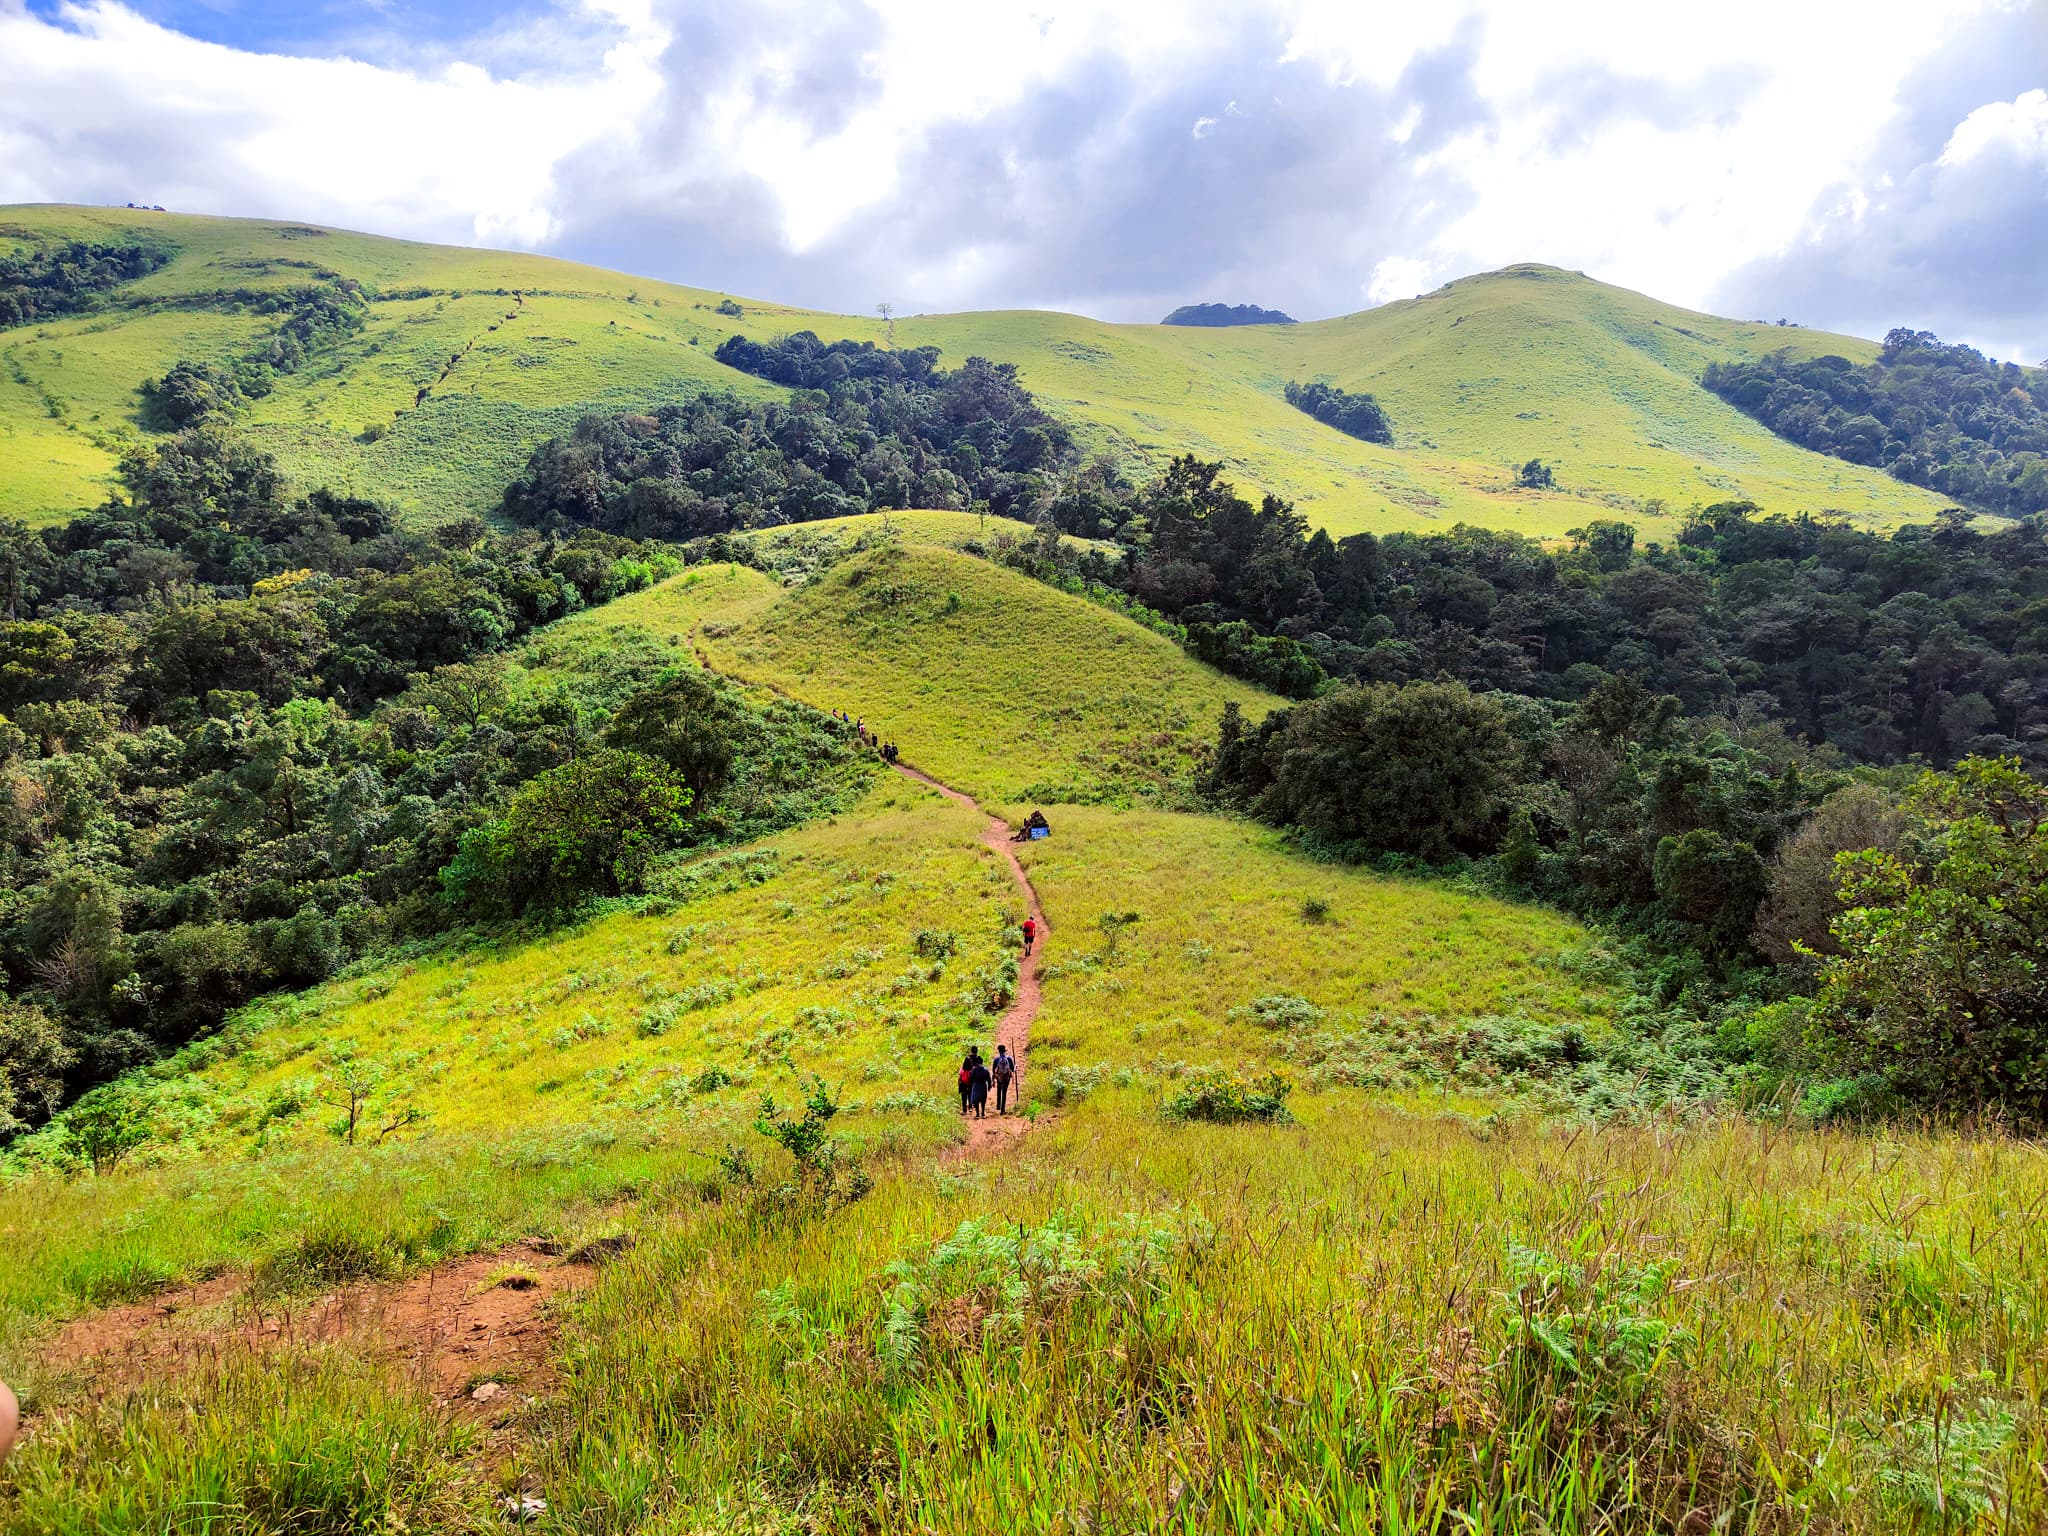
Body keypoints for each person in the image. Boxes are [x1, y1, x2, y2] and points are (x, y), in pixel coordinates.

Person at [992, 1044, 1016, 1115]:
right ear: (1005, 1051)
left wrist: (994, 1078)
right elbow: (1012, 1069)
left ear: (999, 1051)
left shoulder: (996, 1059)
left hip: (999, 1077)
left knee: (999, 1090)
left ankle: (998, 1106)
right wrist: (1015, 1067)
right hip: (1006, 1078)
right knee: (1004, 1092)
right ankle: (1003, 1110)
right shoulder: (1009, 1059)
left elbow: (993, 1070)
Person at [968, 1054, 993, 1119]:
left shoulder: (974, 1070)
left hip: (976, 1085)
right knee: (983, 1100)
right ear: (982, 1062)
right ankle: (983, 1113)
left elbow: (971, 1078)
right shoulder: (985, 1070)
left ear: (976, 1062)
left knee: (976, 1100)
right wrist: (989, 1086)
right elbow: (989, 1079)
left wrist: (971, 1085)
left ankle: (977, 1114)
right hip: (983, 1085)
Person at [958, 1048, 979, 1115]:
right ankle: (970, 1107)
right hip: (971, 1083)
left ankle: (964, 1110)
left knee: (964, 1097)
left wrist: (958, 1083)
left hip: (963, 1084)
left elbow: (959, 1077)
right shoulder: (972, 1069)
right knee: (970, 1095)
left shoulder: (962, 1069)